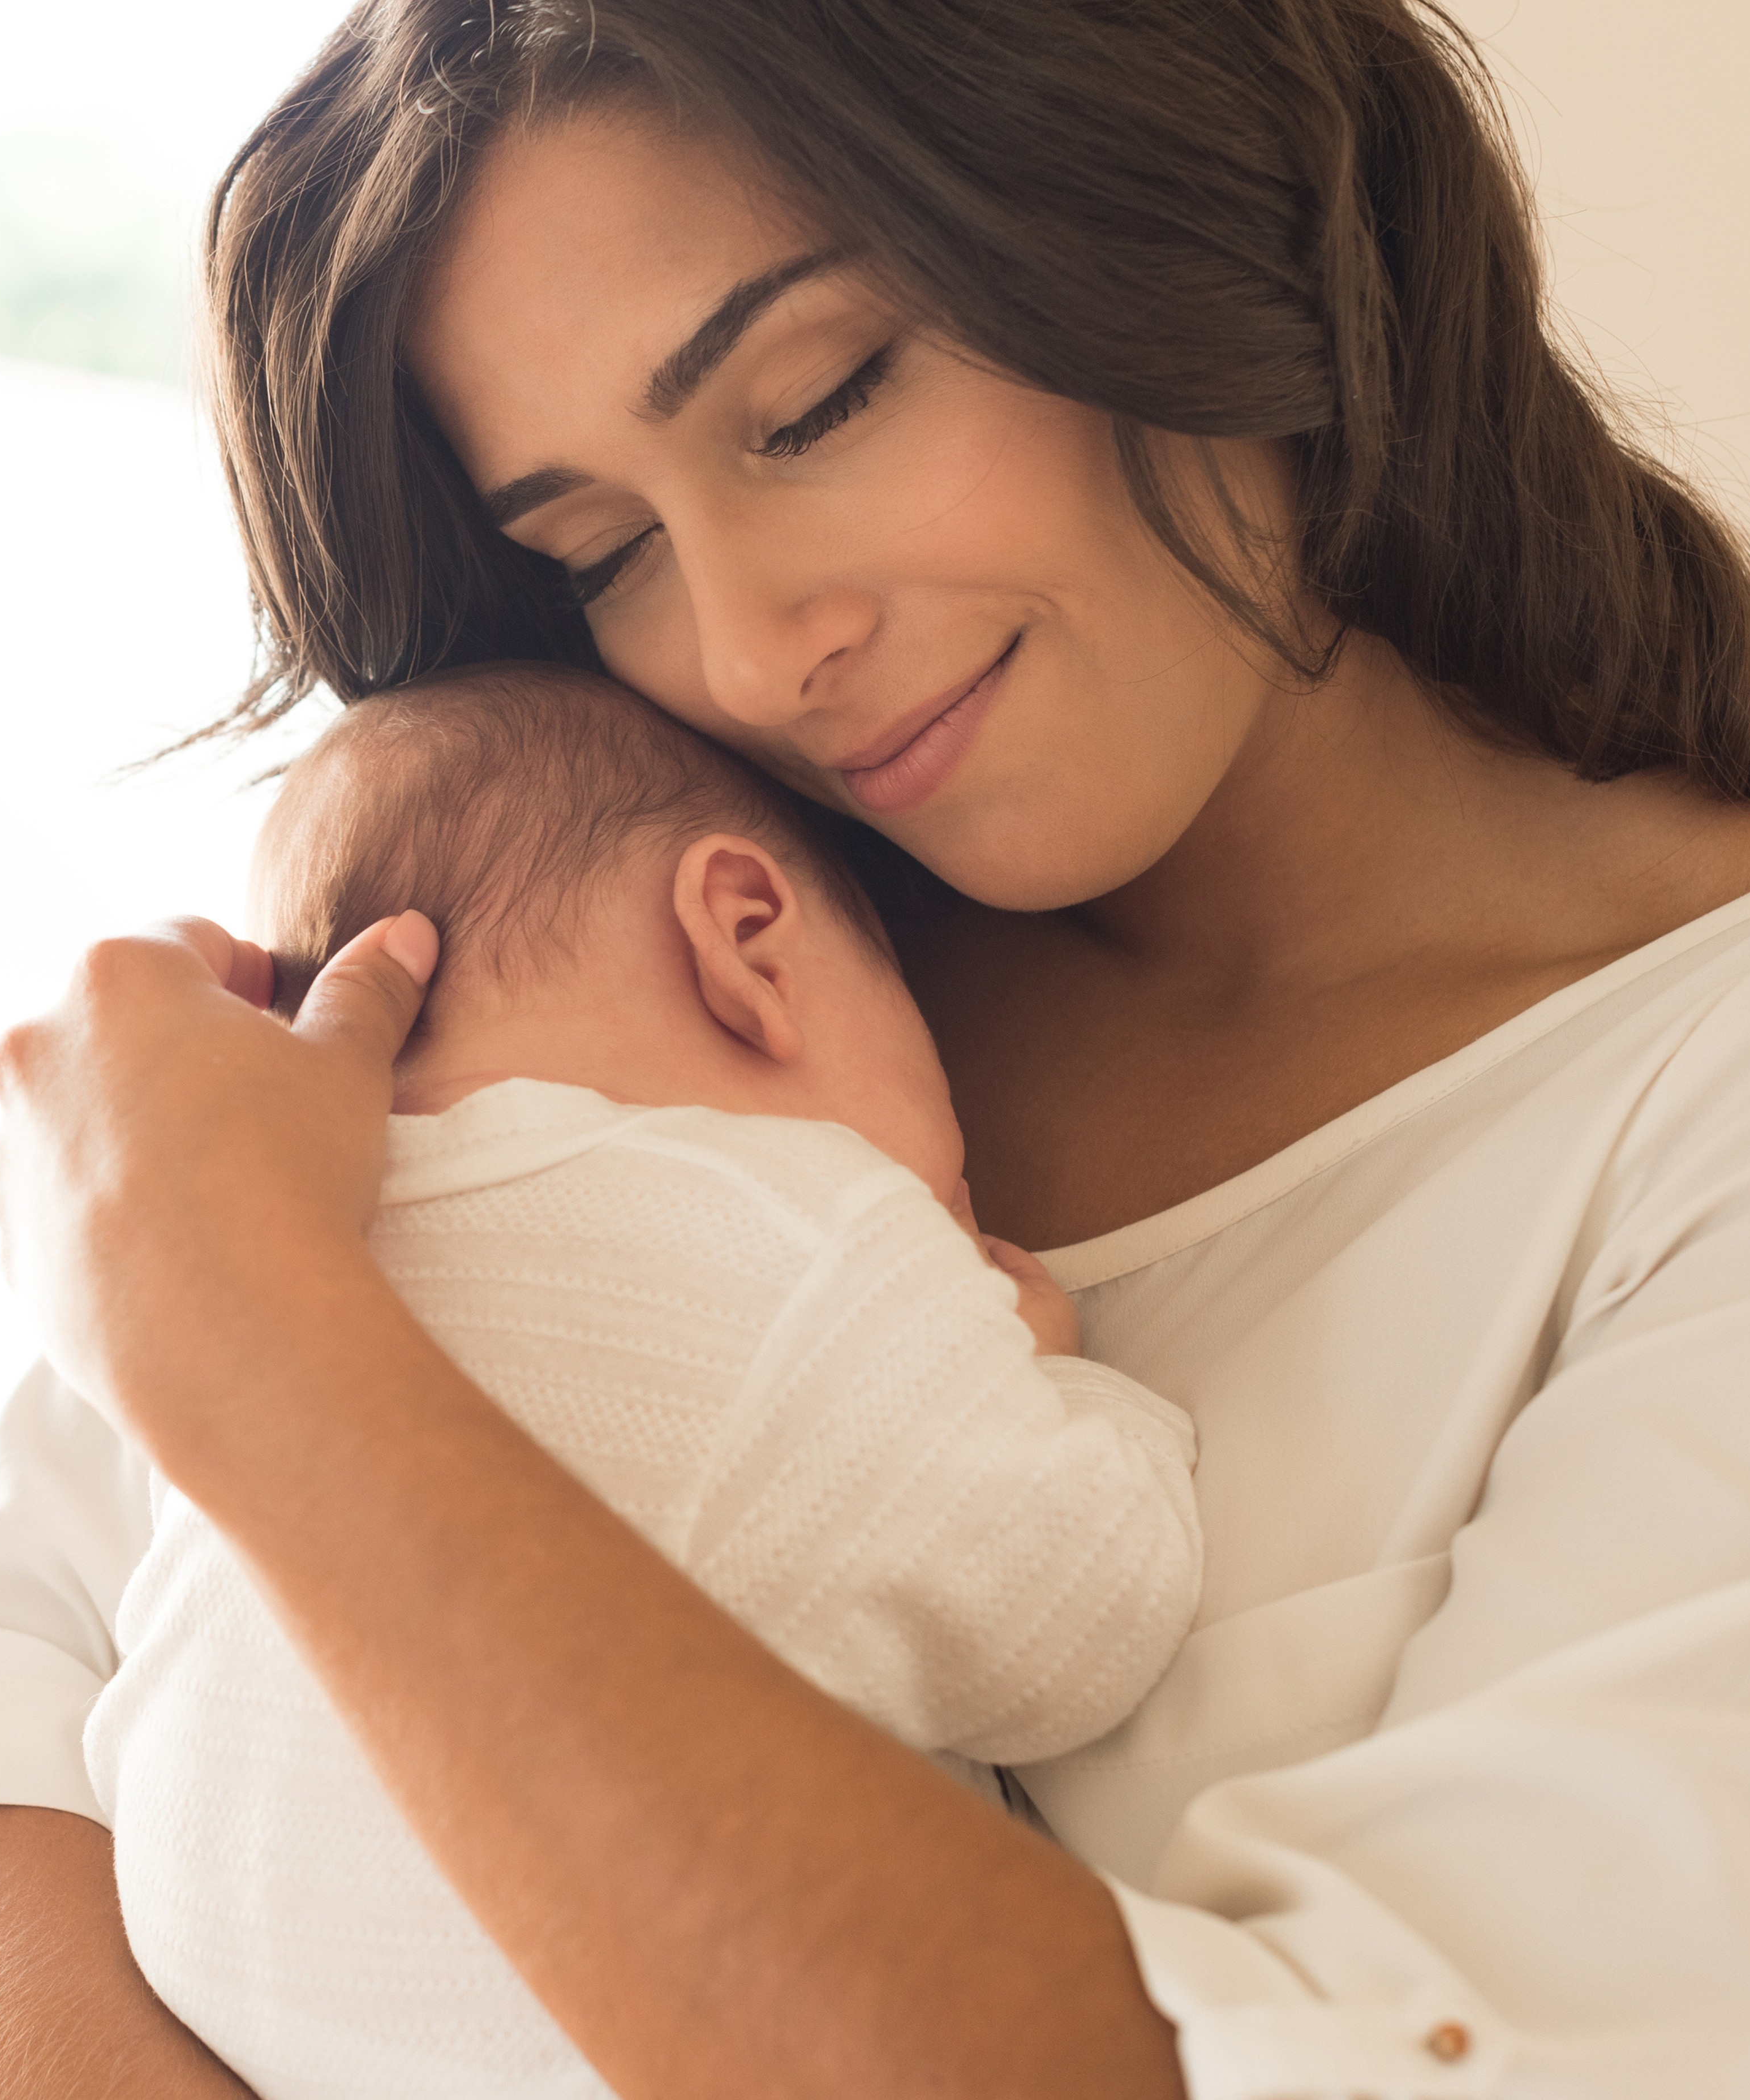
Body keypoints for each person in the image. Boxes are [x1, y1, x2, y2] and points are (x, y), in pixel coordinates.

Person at [0, 0, 1750, 2095]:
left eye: (812, 403)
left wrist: (252, 1347)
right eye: (598, 550)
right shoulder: (640, 960)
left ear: (1183, 189)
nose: (755, 651)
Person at [87, 661, 1202, 2098]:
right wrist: (1065, 1386)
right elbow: (1079, 1624)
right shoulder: (800, 1234)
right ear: (748, 938)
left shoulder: (260, 1258)